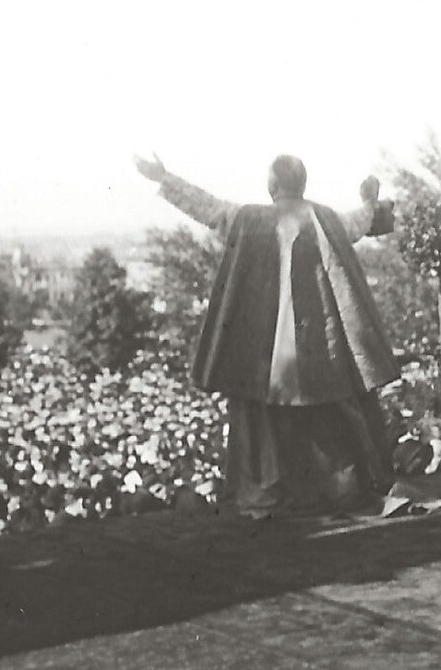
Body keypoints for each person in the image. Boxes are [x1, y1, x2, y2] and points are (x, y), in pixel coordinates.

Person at [134, 152, 405, 519]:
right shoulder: (325, 219)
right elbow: (360, 222)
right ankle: (340, 491)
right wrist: (370, 200)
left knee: (263, 419)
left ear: (272, 185)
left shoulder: (250, 220)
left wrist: (164, 177)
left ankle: (275, 493)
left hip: (268, 348)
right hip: (321, 345)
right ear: (302, 184)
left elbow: (207, 208)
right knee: (331, 415)